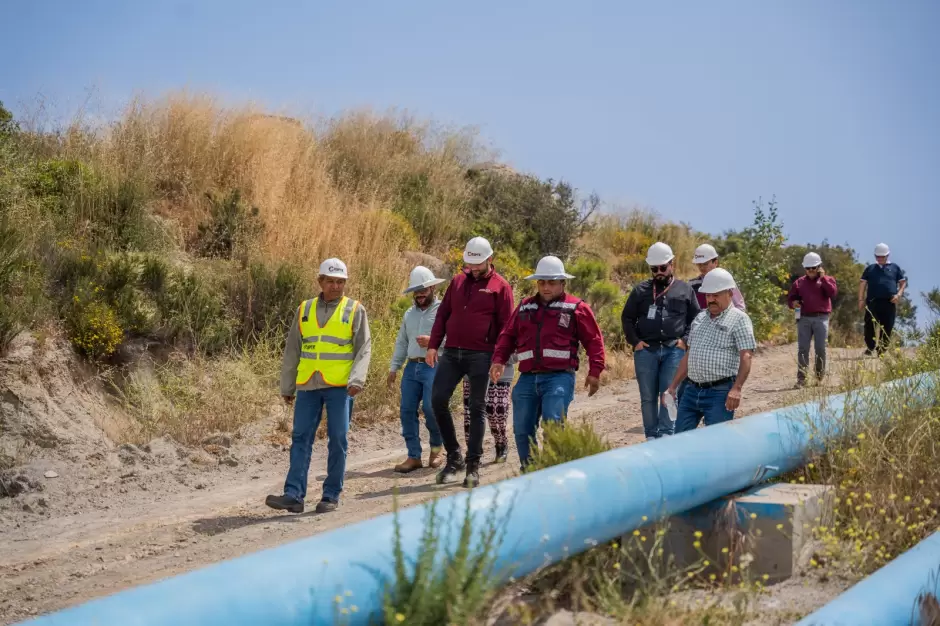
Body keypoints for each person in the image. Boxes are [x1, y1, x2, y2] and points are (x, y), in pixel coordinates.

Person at [266, 258, 371, 514]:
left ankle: (330, 495)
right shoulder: (304, 309)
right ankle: (293, 495)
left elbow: (364, 348)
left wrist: (357, 379)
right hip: (308, 385)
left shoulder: (355, 310)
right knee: (300, 437)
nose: (336, 286)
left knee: (338, 439)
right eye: (331, 281)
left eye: (340, 282)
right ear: (320, 281)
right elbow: (293, 349)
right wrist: (287, 386)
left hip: (340, 386)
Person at [490, 256, 606, 469]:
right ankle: (530, 471)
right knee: (522, 429)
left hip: (559, 378)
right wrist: (498, 360)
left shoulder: (576, 308)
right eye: (542, 282)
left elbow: (594, 340)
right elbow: (507, 336)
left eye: (551, 282)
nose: (546, 287)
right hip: (527, 379)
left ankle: (554, 472)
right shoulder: (524, 307)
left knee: (553, 425)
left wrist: (595, 371)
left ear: (563, 283)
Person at [426, 237, 515, 487]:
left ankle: (472, 466)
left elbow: (507, 327)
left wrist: (499, 359)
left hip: (482, 355)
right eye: (469, 264)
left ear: (490, 259)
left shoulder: (501, 287)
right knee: (437, 400)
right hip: (452, 352)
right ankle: (454, 457)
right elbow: (443, 314)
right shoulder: (457, 281)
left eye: (478, 264)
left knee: (477, 407)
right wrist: (434, 344)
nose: (473, 269)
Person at [621, 242, 700, 439]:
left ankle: (666, 435)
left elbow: (696, 318)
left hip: (674, 350)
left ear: (672, 264)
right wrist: (635, 342)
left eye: (663, 267)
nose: (659, 272)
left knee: (669, 394)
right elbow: (627, 317)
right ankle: (651, 436)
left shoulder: (685, 289)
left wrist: (685, 341)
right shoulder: (640, 290)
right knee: (647, 398)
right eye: (654, 269)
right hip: (646, 351)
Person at [665, 268, 756, 433]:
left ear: (730, 293)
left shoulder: (740, 319)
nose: (711, 299)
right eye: (708, 295)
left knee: (717, 441)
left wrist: (736, 388)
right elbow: (689, 355)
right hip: (691, 391)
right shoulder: (700, 318)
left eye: (716, 295)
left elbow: (746, 356)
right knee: (679, 439)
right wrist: (673, 387)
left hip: (719, 393)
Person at [387, 266, 446, 473]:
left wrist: (433, 342)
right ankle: (414, 456)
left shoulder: (443, 310)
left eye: (424, 290)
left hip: (434, 365)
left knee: (431, 409)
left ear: (432, 288)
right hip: (411, 367)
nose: (420, 294)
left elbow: (453, 339)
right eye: (416, 291)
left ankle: (436, 450)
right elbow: (401, 342)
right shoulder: (408, 314)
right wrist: (394, 367)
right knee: (406, 411)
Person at [787, 252, 838, 387]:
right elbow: (791, 298)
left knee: (820, 348)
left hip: (821, 318)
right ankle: (801, 379)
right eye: (808, 268)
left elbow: (832, 293)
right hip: (803, 318)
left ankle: (819, 377)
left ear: (819, 267)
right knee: (803, 348)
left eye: (813, 268)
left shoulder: (827, 280)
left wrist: (823, 279)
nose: (810, 271)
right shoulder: (799, 282)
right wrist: (794, 303)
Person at [461, 355, 515, 465]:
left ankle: (501, 444)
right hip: (472, 374)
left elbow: (517, 354)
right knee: (470, 416)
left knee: (496, 416)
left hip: (500, 375)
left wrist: (497, 355)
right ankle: (473, 451)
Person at [859, 243, 907, 356]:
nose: (880, 258)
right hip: (872, 302)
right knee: (869, 326)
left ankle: (882, 349)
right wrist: (861, 300)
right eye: (877, 256)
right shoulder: (870, 268)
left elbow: (903, 282)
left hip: (889, 302)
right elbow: (862, 283)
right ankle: (870, 347)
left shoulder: (895, 268)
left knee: (888, 327)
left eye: (882, 256)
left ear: (887, 255)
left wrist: (898, 295)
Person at [688, 243, 746, 311]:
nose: (702, 267)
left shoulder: (726, 280)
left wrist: (735, 319)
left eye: (705, 264)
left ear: (715, 262)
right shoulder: (692, 284)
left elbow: (740, 305)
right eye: (699, 264)